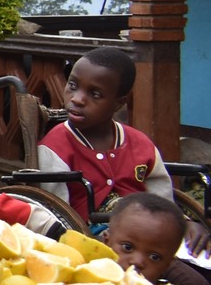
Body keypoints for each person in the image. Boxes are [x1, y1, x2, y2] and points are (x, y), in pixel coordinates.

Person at [33, 48, 173, 218]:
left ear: (119, 102)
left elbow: (163, 201)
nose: (77, 99)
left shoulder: (141, 144)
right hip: (86, 236)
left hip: (147, 228)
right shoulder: (54, 148)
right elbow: (59, 216)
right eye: (72, 85)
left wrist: (182, 223)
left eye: (95, 94)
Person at [108, 193, 210, 285]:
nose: (137, 261)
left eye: (154, 257)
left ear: (166, 266)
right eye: (127, 247)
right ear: (106, 241)